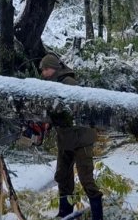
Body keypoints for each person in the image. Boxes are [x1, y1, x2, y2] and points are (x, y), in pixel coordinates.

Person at [39, 53, 103, 220]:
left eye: (45, 69)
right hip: (66, 139)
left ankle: (98, 215)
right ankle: (65, 212)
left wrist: (54, 117)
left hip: (81, 137)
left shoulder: (69, 83)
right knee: (62, 176)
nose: (43, 73)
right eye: (43, 70)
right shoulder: (52, 84)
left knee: (86, 178)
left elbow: (74, 109)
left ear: (53, 68)